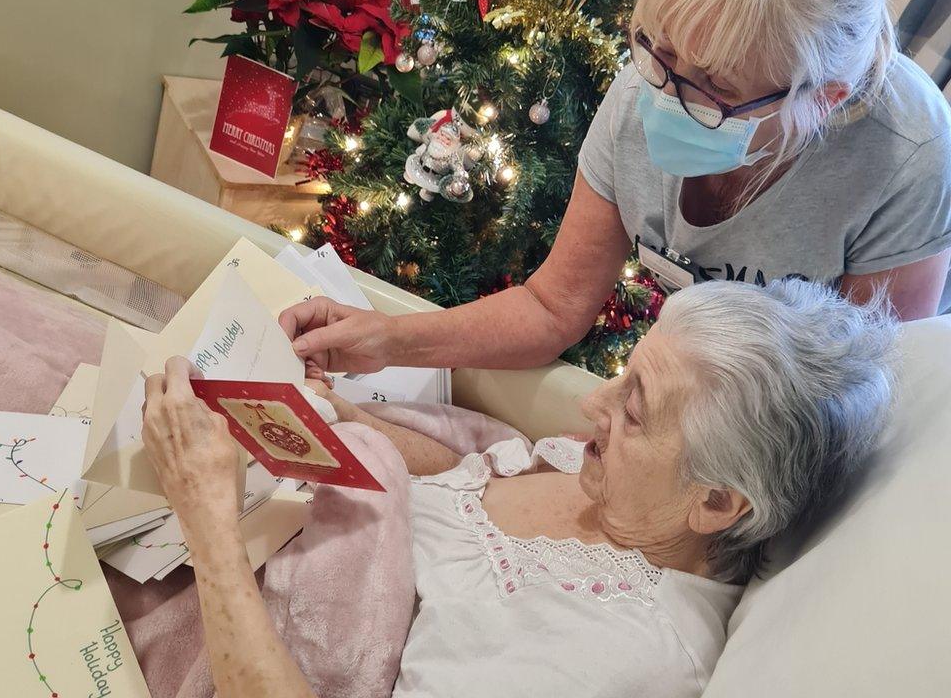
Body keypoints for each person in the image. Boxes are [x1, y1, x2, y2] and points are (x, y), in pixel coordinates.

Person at [277, 0, 950, 383]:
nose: (663, 95)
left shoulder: (906, 152)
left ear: (822, 98)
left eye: (711, 86)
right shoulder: (644, 90)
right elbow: (552, 307)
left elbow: (871, 398)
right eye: (656, 52)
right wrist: (387, 339)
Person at [142, 279, 897, 698]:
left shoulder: (609, 659)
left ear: (718, 503)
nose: (590, 408)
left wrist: (206, 519)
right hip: (238, 522)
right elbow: (463, 483)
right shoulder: (621, 489)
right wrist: (335, 422)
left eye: (631, 410)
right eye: (622, 374)